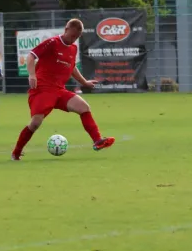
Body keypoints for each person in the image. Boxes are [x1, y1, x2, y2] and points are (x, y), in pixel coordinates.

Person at [11, 18, 115, 160]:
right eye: (72, 36)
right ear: (66, 30)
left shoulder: (73, 48)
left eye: (77, 37)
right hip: (42, 89)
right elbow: (31, 56)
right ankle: (16, 153)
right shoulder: (52, 42)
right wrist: (32, 75)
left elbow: (71, 67)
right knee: (35, 123)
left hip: (59, 90)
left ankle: (97, 141)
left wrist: (84, 82)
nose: (73, 39)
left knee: (84, 107)